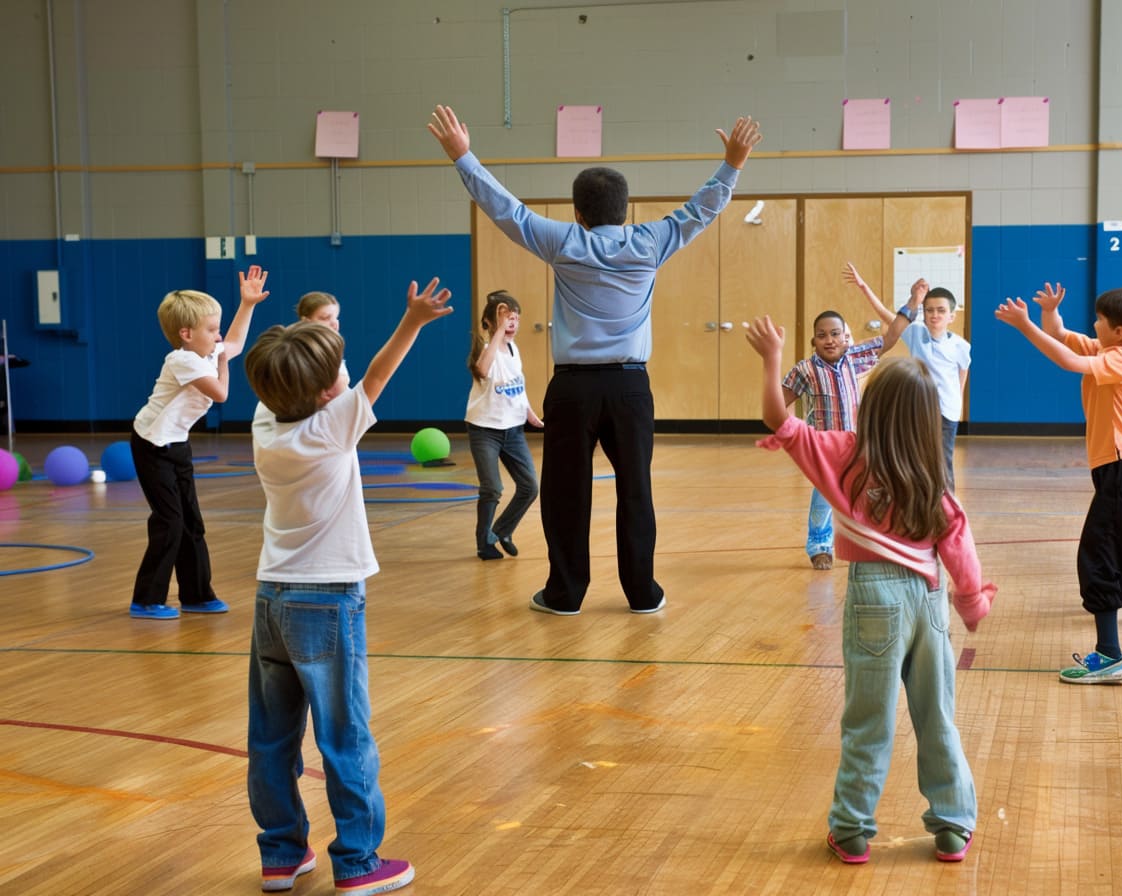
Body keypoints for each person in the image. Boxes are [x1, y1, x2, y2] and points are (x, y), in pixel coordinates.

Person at [428, 103, 762, 615]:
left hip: (573, 389)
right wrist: (733, 163)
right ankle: (642, 593)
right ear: (626, 210)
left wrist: (463, 157)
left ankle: (564, 594)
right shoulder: (650, 242)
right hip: (631, 389)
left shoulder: (564, 241)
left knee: (566, 494)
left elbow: (507, 210)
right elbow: (701, 209)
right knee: (636, 490)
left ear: (578, 213)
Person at [745, 315, 996, 867]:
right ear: (930, 420)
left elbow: (777, 420)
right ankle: (953, 826)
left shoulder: (843, 451)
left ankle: (852, 830)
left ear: (870, 408)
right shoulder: (932, 473)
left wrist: (771, 357)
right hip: (929, 601)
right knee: (938, 716)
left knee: (867, 720)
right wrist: (972, 600)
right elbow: (958, 536)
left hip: (872, 602)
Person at [243, 276, 452, 896]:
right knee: (344, 735)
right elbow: (379, 376)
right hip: (327, 598)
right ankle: (359, 862)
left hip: (270, 596)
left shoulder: (265, 424)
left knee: (271, 735)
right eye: (336, 372)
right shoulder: (332, 428)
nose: (347, 375)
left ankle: (281, 854)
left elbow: (281, 376)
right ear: (322, 394)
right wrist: (412, 321)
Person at [995, 282, 1122, 682]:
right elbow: (1061, 336)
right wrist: (1049, 313)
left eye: (1100, 320)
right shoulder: (1109, 349)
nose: (1094, 324)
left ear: (1119, 331)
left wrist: (1023, 327)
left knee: (1100, 554)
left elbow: (1067, 361)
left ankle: (1110, 655)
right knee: (1119, 548)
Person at [128, 266, 268, 620]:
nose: (218, 335)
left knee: (192, 522)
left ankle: (197, 595)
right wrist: (222, 360)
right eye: (211, 330)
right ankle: (146, 599)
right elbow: (220, 392)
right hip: (151, 445)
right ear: (186, 334)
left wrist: (247, 304)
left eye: (217, 327)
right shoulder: (182, 360)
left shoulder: (204, 352)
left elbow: (233, 342)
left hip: (177, 444)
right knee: (170, 521)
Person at [782, 307, 907, 569]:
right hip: (824, 448)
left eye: (835, 334)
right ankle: (819, 546)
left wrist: (913, 302)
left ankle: (876, 540)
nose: (829, 340)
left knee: (870, 490)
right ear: (813, 341)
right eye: (822, 335)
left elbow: (891, 337)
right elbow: (780, 400)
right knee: (823, 496)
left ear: (845, 338)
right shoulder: (805, 370)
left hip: (857, 443)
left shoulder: (855, 357)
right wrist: (793, 432)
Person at [848, 265, 972, 490]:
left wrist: (959, 402)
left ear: (951, 316)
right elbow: (888, 316)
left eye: (941, 311)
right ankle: (918, 502)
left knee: (943, 460)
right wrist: (864, 287)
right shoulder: (915, 333)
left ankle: (948, 506)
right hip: (920, 407)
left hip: (947, 411)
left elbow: (962, 374)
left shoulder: (961, 346)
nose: (935, 315)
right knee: (917, 457)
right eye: (930, 310)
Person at [466, 289, 542, 561]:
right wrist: (497, 331)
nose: (512, 323)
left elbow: (516, 386)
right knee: (492, 488)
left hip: (513, 430)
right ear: (489, 324)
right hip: (485, 430)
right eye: (506, 318)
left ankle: (501, 531)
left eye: (515, 318)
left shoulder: (514, 349)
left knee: (530, 487)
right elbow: (484, 371)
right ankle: (483, 544)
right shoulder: (487, 351)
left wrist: (530, 413)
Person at [296, 291, 350, 391]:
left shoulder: (332, 348)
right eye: (325, 318)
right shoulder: (297, 351)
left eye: (336, 317)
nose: (334, 323)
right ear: (306, 322)